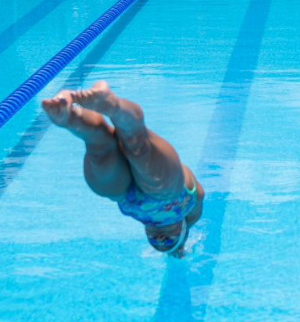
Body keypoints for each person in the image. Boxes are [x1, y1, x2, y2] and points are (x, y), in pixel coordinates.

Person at [43, 82, 205, 255]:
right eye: (169, 240)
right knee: (138, 146)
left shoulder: (142, 217)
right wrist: (179, 248)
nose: (160, 238)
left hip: (128, 197)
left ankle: (70, 116)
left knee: (100, 151)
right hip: (169, 195)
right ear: (183, 230)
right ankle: (112, 105)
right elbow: (194, 189)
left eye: (154, 241)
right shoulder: (190, 213)